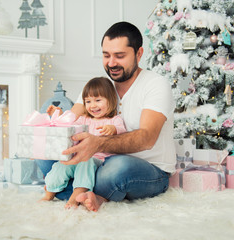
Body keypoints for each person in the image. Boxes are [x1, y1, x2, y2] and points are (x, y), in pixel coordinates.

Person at [60, 21, 177, 211]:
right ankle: (93, 194)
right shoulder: (99, 87)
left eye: (119, 56)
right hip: (99, 163)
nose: (111, 63)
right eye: (106, 55)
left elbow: (147, 138)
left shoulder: (156, 85)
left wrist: (98, 143)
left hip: (149, 170)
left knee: (118, 167)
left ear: (139, 54)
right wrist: (50, 131)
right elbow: (69, 120)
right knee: (54, 161)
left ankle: (81, 190)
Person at [39, 77, 126, 209]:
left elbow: (122, 132)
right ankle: (50, 191)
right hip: (77, 157)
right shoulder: (84, 119)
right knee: (62, 164)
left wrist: (113, 129)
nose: (93, 105)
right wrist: (59, 114)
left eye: (98, 100)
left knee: (86, 162)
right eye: (88, 101)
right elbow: (69, 126)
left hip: (98, 161)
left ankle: (77, 194)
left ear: (111, 100)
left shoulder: (114, 120)